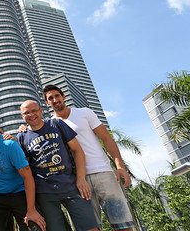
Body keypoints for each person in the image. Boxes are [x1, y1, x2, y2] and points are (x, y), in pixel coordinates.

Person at [44, 84, 135, 230]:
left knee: (123, 225)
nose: (55, 100)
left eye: (57, 96)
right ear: (47, 103)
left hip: (103, 173)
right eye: (50, 98)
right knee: (89, 228)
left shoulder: (84, 113)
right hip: (78, 181)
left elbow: (107, 139)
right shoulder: (50, 125)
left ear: (63, 97)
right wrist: (23, 128)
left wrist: (119, 166)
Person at [15, 100, 99, 231]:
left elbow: (77, 151)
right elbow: (25, 170)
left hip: (71, 185)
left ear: (41, 110)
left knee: (91, 228)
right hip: (45, 192)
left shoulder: (56, 124)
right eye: (26, 113)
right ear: (22, 116)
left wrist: (81, 178)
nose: (31, 114)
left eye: (34, 111)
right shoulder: (22, 137)